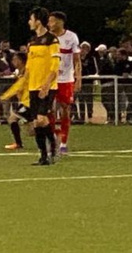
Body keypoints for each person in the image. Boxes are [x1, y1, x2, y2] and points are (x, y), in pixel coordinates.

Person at [25, 7, 60, 166]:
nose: (29, 22)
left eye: (31, 19)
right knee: (36, 122)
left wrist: (46, 84)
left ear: (38, 21)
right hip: (32, 87)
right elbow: (29, 67)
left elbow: (55, 65)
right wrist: (23, 84)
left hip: (47, 86)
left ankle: (52, 145)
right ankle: (44, 155)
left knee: (40, 119)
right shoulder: (32, 42)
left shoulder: (52, 40)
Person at [48, 11, 81, 156]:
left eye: (52, 21)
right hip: (50, 78)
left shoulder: (71, 37)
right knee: (49, 109)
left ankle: (63, 142)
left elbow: (77, 60)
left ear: (60, 22)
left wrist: (78, 78)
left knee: (65, 109)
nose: (50, 24)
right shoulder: (47, 38)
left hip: (66, 79)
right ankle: (53, 138)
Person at [0, 53, 32, 150]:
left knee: (12, 119)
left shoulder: (27, 71)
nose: (13, 62)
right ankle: (54, 136)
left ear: (21, 61)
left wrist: (5, 96)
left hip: (28, 102)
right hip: (25, 101)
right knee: (32, 130)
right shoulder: (21, 72)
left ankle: (18, 144)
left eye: (15, 59)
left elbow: (19, 86)